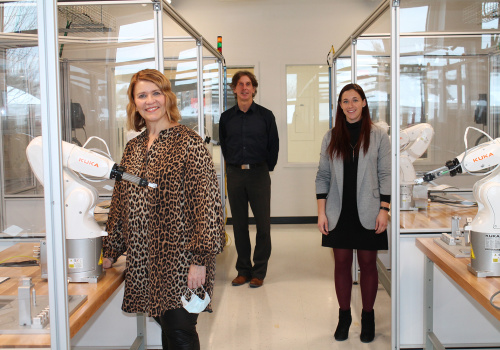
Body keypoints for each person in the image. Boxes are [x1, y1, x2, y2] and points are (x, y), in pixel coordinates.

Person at [102, 69, 225, 350]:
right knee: (167, 329)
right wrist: (110, 250)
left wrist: (200, 260)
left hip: (181, 257)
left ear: (167, 97)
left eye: (156, 93)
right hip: (145, 259)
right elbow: (121, 203)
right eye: (142, 95)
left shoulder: (189, 143)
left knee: (180, 330)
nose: (150, 101)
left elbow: (207, 206)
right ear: (134, 103)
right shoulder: (133, 148)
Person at [315, 83, 391, 343]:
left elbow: (385, 175)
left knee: (369, 265)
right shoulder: (331, 136)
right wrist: (321, 212)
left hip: (370, 210)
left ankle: (367, 317)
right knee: (342, 265)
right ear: (340, 106)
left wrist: (385, 209)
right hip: (339, 211)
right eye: (345, 101)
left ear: (364, 103)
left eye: (355, 100)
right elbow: (323, 176)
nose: (350, 105)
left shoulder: (379, 136)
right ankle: (344, 316)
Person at [219, 70, 279, 288]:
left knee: (263, 225)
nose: (244, 88)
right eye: (240, 84)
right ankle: (243, 270)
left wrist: (264, 168)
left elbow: (274, 146)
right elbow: (225, 146)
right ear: (234, 89)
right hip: (235, 174)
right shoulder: (226, 118)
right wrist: (233, 168)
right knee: (239, 225)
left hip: (258, 174)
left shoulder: (266, 116)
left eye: (248, 84)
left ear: (253, 88)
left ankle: (259, 271)